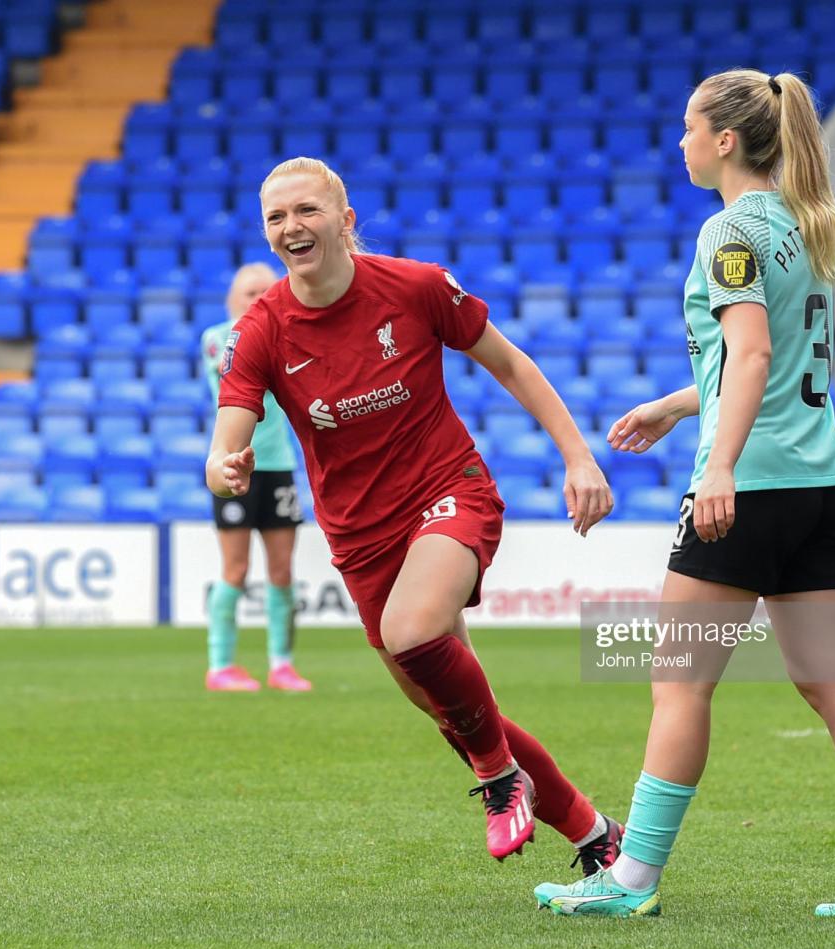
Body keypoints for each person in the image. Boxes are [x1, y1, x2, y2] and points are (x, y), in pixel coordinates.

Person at [534, 70, 835, 919]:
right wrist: (681, 406)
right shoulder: (805, 224)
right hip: (826, 483)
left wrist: (717, 465)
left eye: (687, 128)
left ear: (724, 142)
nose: (678, 142)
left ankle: (631, 879)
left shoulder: (729, 231)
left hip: (751, 486)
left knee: (679, 683)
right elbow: (770, 359)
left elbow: (749, 356)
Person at [207, 155, 622, 869]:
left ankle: (498, 780)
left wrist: (578, 456)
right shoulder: (261, 330)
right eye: (276, 217)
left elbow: (512, 364)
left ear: (345, 220)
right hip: (359, 533)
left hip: (447, 486)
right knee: (452, 711)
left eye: (306, 210)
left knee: (412, 632)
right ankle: (595, 836)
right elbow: (225, 447)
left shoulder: (418, 286)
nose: (291, 226)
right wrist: (224, 467)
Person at [200, 262, 311, 693]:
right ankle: (220, 664)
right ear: (233, 298)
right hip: (230, 463)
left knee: (282, 570)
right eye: (249, 292)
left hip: (278, 464)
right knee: (236, 568)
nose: (258, 298)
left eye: (267, 291)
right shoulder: (217, 339)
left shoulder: (288, 333)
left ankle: (282, 664)